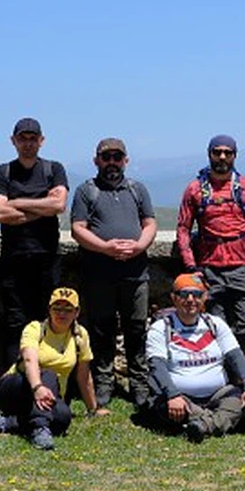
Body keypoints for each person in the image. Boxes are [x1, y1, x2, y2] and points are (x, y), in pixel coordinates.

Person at [70, 137, 157, 412]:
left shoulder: (137, 189)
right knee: (101, 329)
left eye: (117, 157)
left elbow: (150, 223)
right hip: (99, 272)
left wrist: (140, 245)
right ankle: (104, 382)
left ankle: (139, 384)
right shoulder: (87, 191)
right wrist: (106, 248)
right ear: (96, 160)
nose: (111, 163)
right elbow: (78, 228)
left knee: (136, 329)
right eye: (106, 157)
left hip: (135, 272)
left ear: (125, 161)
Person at [175, 135, 245, 350]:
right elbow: (183, 229)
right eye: (217, 152)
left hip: (244, 270)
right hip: (209, 272)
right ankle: (229, 377)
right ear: (209, 154)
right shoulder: (195, 190)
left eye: (227, 153)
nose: (222, 157)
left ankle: (232, 368)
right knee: (215, 328)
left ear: (234, 156)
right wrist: (191, 267)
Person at [145, 273, 245, 443]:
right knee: (167, 409)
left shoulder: (215, 324)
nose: (191, 300)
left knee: (240, 400)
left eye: (197, 294)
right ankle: (228, 420)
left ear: (205, 297)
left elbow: (236, 357)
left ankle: (203, 425)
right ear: (174, 298)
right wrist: (172, 395)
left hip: (218, 395)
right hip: (181, 398)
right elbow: (157, 366)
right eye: (184, 294)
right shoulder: (161, 328)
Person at [0, 118, 69, 367]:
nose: (27, 144)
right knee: (15, 321)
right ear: (13, 141)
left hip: (47, 258)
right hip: (14, 259)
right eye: (22, 139)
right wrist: (41, 207)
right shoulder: (3, 172)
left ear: (41, 141)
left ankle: (47, 377)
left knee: (49, 319)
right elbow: (0, 214)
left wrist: (17, 202)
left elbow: (59, 205)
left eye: (32, 138)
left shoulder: (53, 169)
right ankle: (15, 379)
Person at [0, 287, 96, 450]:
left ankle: (5, 423)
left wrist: (93, 408)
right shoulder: (35, 329)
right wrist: (38, 387)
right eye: (57, 308)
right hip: (17, 387)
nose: (61, 313)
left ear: (76, 313)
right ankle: (40, 430)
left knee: (63, 419)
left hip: (49, 397)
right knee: (48, 374)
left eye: (67, 309)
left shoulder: (80, 335)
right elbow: (29, 359)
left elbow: (84, 374)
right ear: (49, 310)